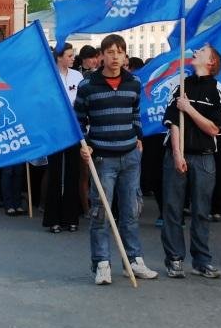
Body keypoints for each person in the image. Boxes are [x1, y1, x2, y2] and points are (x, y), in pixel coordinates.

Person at [76, 34, 158, 285]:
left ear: (125, 55)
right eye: (110, 52)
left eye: (119, 52)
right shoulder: (88, 85)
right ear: (101, 56)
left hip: (130, 155)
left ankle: (133, 260)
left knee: (130, 211)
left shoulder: (133, 82)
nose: (115, 57)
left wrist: (139, 137)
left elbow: (135, 113)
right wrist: (85, 145)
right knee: (101, 213)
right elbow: (78, 120)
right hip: (102, 158)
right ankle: (101, 262)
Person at [161, 44, 221, 279]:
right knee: (172, 209)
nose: (195, 52)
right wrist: (177, 153)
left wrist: (189, 108)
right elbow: (173, 122)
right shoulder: (181, 85)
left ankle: (202, 260)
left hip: (204, 157)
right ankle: (175, 259)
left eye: (201, 51)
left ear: (211, 62)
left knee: (201, 211)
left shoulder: (219, 90)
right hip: (177, 156)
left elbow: (213, 128)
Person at [43, 43, 84, 233]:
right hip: (54, 130)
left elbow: (83, 102)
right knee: (55, 173)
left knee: (72, 173)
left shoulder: (78, 76)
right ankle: (53, 219)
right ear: (59, 57)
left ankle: (71, 217)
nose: (72, 58)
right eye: (69, 55)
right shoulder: (49, 76)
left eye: (72, 55)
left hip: (74, 130)